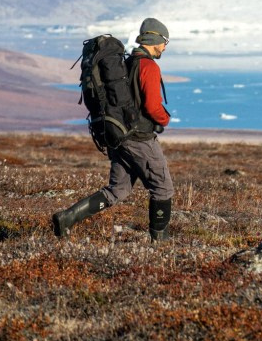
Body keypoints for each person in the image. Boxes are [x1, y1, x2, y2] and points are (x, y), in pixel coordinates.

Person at [52, 18, 175, 241]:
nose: (165, 47)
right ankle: (161, 242)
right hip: (139, 138)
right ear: (155, 39)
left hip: (118, 136)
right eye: (165, 41)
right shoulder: (148, 66)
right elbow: (152, 106)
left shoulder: (126, 64)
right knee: (163, 188)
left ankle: (67, 218)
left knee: (118, 190)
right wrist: (164, 119)